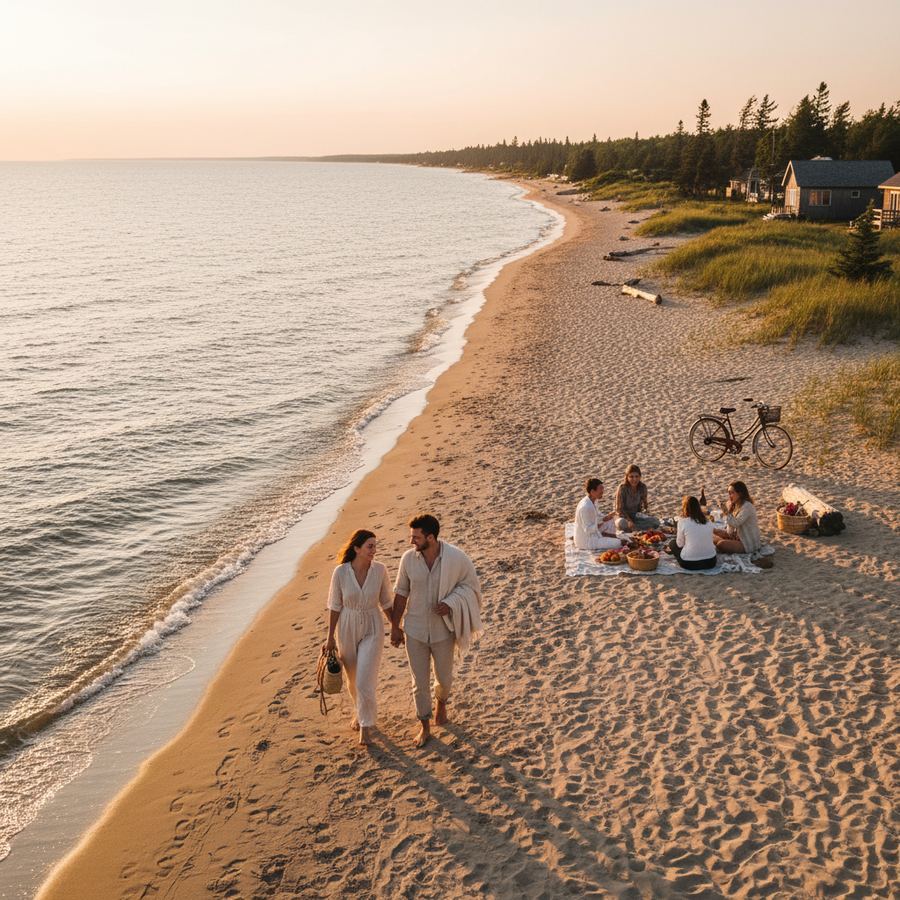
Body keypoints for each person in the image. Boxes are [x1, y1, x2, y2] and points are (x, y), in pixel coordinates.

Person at [391, 514, 481, 749]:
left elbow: (470, 586)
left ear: (430, 537)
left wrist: (451, 602)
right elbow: (401, 594)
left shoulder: (456, 558)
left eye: (416, 537)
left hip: (443, 631)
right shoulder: (408, 560)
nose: (412, 542)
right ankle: (425, 726)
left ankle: (441, 703)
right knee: (418, 682)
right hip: (415, 630)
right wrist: (394, 626)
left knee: (444, 677)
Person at [324, 529, 394, 746]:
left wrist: (397, 627)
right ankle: (359, 711)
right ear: (357, 548)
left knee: (364, 679)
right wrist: (330, 638)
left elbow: (386, 602)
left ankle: (365, 726)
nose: (374, 550)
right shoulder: (341, 573)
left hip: (373, 626)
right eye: (370, 546)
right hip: (346, 626)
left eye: (375, 545)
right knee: (353, 679)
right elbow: (335, 606)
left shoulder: (380, 570)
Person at [713, 481, 763, 554]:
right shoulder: (734, 505)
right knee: (712, 532)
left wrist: (726, 512)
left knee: (721, 544)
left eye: (732, 493)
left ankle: (724, 543)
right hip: (737, 536)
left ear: (740, 493)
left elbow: (736, 523)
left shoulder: (747, 506)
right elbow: (729, 531)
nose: (730, 496)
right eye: (729, 493)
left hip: (747, 543)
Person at [574, 478, 624, 550]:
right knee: (619, 543)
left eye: (602, 488)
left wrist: (607, 517)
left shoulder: (594, 500)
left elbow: (598, 516)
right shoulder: (585, 507)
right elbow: (587, 529)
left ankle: (607, 537)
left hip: (595, 532)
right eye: (600, 489)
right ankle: (608, 539)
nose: (602, 491)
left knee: (610, 520)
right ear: (592, 491)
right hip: (587, 541)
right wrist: (599, 523)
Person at [670, 495, 717, 570]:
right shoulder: (708, 521)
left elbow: (679, 545)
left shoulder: (682, 522)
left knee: (672, 543)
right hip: (711, 561)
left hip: (690, 563)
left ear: (685, 509)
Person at [613, 464, 661, 532]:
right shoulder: (622, 488)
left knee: (655, 522)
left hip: (635, 515)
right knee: (621, 523)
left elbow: (645, 506)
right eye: (631, 477)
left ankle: (636, 528)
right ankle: (636, 528)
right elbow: (619, 510)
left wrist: (646, 515)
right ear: (627, 477)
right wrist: (629, 520)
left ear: (640, 477)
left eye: (636, 476)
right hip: (623, 517)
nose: (634, 479)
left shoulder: (642, 487)